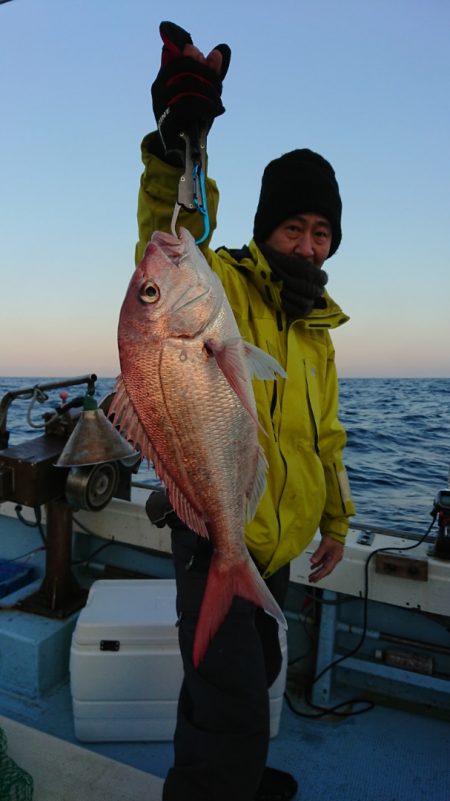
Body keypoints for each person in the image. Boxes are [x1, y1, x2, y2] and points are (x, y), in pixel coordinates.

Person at [137, 21, 355, 801]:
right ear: (266, 231)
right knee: (228, 709)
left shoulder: (318, 331)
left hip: (277, 539)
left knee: (251, 675)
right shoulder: (219, 286)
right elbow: (173, 229)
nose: (306, 244)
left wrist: (335, 517)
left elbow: (324, 431)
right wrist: (177, 148)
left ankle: (234, 779)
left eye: (320, 231)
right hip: (216, 527)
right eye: (293, 227)